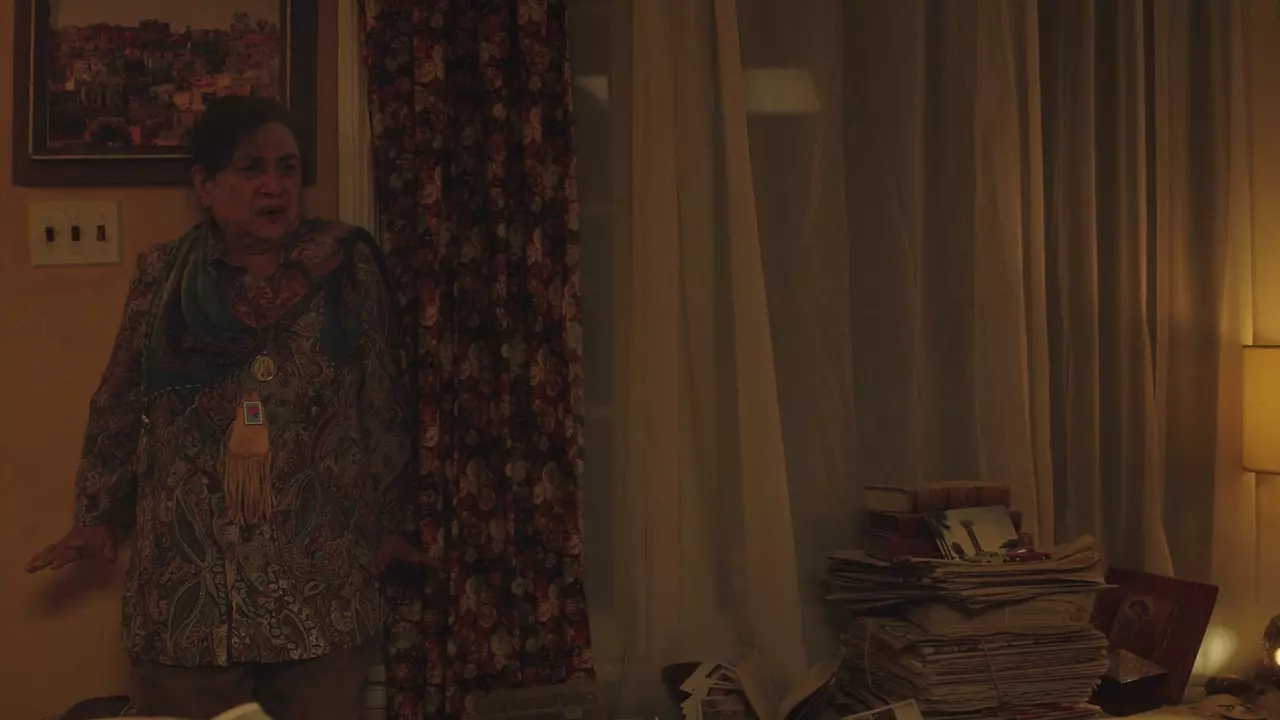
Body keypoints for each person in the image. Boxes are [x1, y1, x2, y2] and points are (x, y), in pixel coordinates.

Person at [25, 95, 416, 720]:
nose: (274, 186)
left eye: (288, 168)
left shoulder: (345, 269)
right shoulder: (163, 278)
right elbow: (120, 399)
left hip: (320, 593)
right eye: (251, 168)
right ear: (204, 185)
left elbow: (382, 397)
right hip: (191, 598)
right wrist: (96, 514)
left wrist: (394, 522)